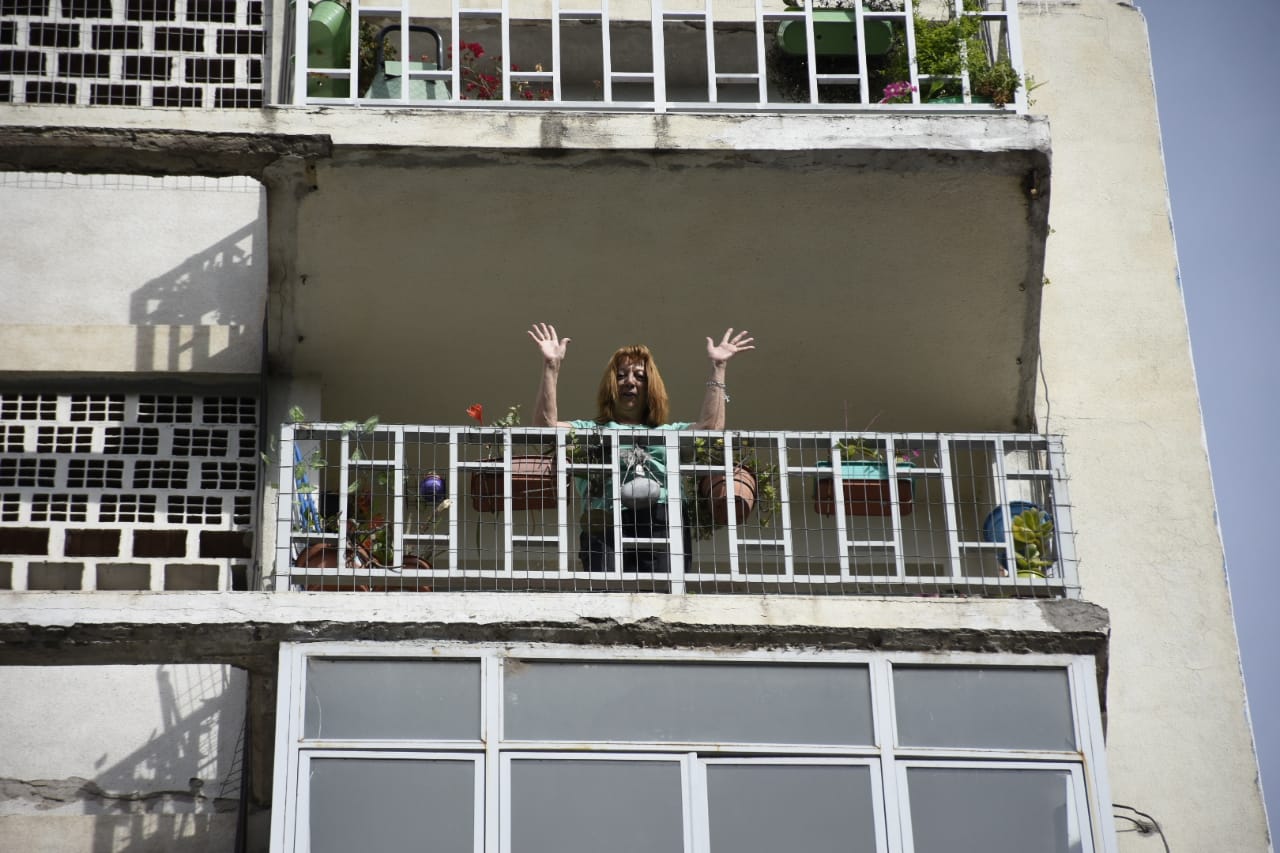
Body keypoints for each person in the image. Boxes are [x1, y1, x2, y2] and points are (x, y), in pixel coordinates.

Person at [528, 323, 755, 572]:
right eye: (621, 375)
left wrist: (718, 367)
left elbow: (710, 430)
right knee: (607, 590)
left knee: (664, 590)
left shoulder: (669, 432)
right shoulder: (591, 430)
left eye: (640, 376)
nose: (629, 381)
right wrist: (551, 366)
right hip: (605, 518)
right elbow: (545, 429)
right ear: (611, 385)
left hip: (663, 517)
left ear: (650, 387)